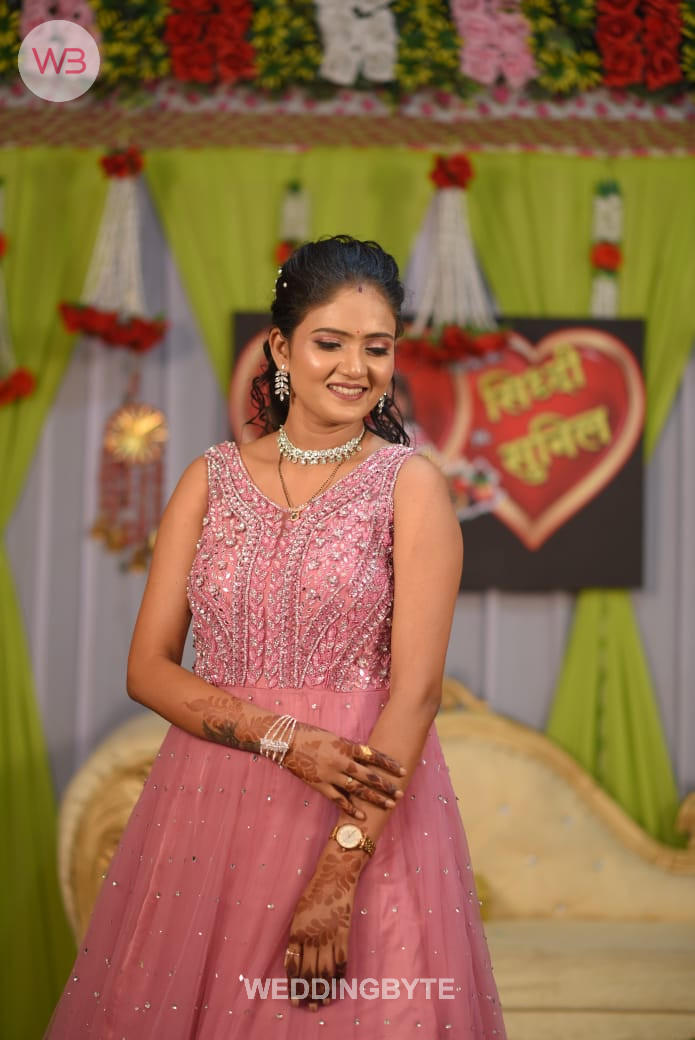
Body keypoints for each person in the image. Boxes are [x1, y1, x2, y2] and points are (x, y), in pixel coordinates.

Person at [47, 235, 507, 1038]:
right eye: (330, 343)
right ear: (280, 349)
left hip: (355, 809)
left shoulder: (409, 486)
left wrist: (339, 871)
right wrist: (284, 741)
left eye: (377, 348)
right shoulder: (209, 479)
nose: (355, 368)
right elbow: (147, 669)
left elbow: (417, 694)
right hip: (207, 811)